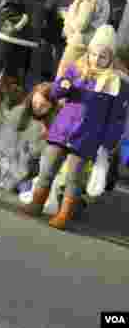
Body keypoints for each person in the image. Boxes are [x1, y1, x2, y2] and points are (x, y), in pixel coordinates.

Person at [19, 25, 128, 229]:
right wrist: (62, 86)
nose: (96, 59)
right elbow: (55, 94)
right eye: (94, 54)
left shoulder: (116, 83)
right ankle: (36, 203)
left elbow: (117, 118)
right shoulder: (76, 69)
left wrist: (107, 144)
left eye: (102, 56)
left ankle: (64, 214)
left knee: (74, 177)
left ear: (111, 57)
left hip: (87, 136)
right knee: (47, 168)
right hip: (62, 129)